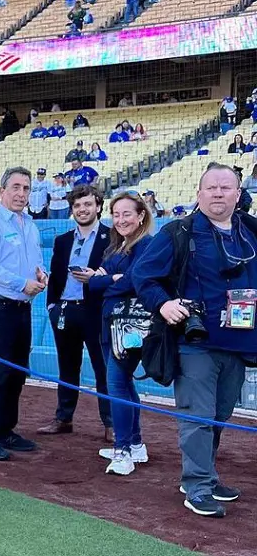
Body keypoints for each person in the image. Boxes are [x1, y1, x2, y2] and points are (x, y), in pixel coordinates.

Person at [133, 163, 255, 518]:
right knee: (197, 416)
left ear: (237, 193)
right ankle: (198, 485)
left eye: (226, 187)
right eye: (211, 187)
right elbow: (144, 276)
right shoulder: (178, 232)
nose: (218, 193)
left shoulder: (250, 230)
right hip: (195, 342)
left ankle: (206, 475)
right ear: (199, 194)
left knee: (218, 416)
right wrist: (165, 303)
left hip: (240, 342)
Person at [0, 167, 48, 461]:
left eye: (26, 188)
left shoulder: (30, 225)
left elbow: (36, 260)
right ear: (1, 191)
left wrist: (41, 274)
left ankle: (4, 429)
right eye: (15, 187)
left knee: (16, 372)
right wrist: (21, 283)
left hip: (20, 308)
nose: (21, 193)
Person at [80, 191, 154, 475]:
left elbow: (136, 281)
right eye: (117, 214)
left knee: (117, 384)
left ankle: (123, 450)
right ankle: (134, 444)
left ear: (140, 216)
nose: (121, 219)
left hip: (129, 327)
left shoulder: (146, 245)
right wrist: (112, 280)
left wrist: (105, 280)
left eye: (127, 214)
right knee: (123, 384)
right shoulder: (117, 247)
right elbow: (93, 285)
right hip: (109, 323)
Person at [39, 185, 112, 440]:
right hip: (64, 312)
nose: (83, 210)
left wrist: (96, 279)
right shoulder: (63, 241)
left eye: (88, 205)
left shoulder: (111, 238)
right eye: (78, 206)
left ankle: (110, 424)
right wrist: (52, 306)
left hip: (96, 313)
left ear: (98, 206)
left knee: (103, 368)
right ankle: (64, 418)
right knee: (67, 367)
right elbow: (55, 277)